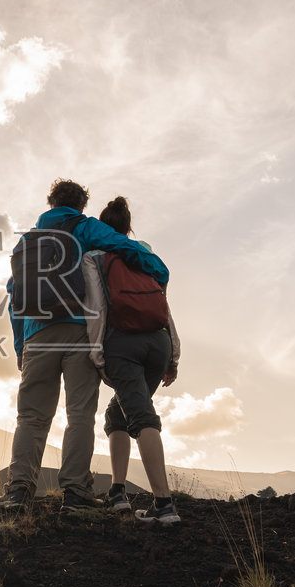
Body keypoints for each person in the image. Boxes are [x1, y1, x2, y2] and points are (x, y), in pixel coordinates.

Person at [0, 180, 169, 511]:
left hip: (36, 336)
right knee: (79, 415)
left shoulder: (27, 242)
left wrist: (21, 346)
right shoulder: (86, 228)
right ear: (81, 205)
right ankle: (75, 492)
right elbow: (128, 249)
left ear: (50, 202)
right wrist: (157, 269)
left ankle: (19, 490)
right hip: (79, 332)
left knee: (30, 416)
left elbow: (14, 297)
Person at [83, 196, 181, 524]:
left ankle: (164, 505)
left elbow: (96, 308)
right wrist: (174, 354)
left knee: (140, 416)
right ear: (128, 227)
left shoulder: (95, 257)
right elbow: (164, 305)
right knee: (117, 414)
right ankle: (117, 492)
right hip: (159, 341)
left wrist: (97, 355)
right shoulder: (146, 254)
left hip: (123, 343)